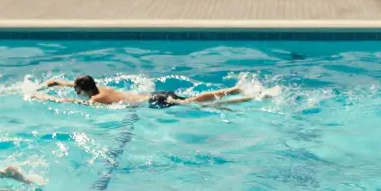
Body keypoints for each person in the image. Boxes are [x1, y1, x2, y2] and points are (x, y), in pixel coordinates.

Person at [35, 74, 253, 109]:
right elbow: (71, 87)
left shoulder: (97, 99)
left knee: (196, 103)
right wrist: (57, 83)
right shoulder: (101, 87)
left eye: (76, 90)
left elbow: (73, 103)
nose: (76, 93)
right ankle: (234, 90)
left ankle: (243, 98)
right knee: (192, 99)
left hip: (155, 102)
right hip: (155, 95)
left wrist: (43, 96)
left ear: (83, 90)